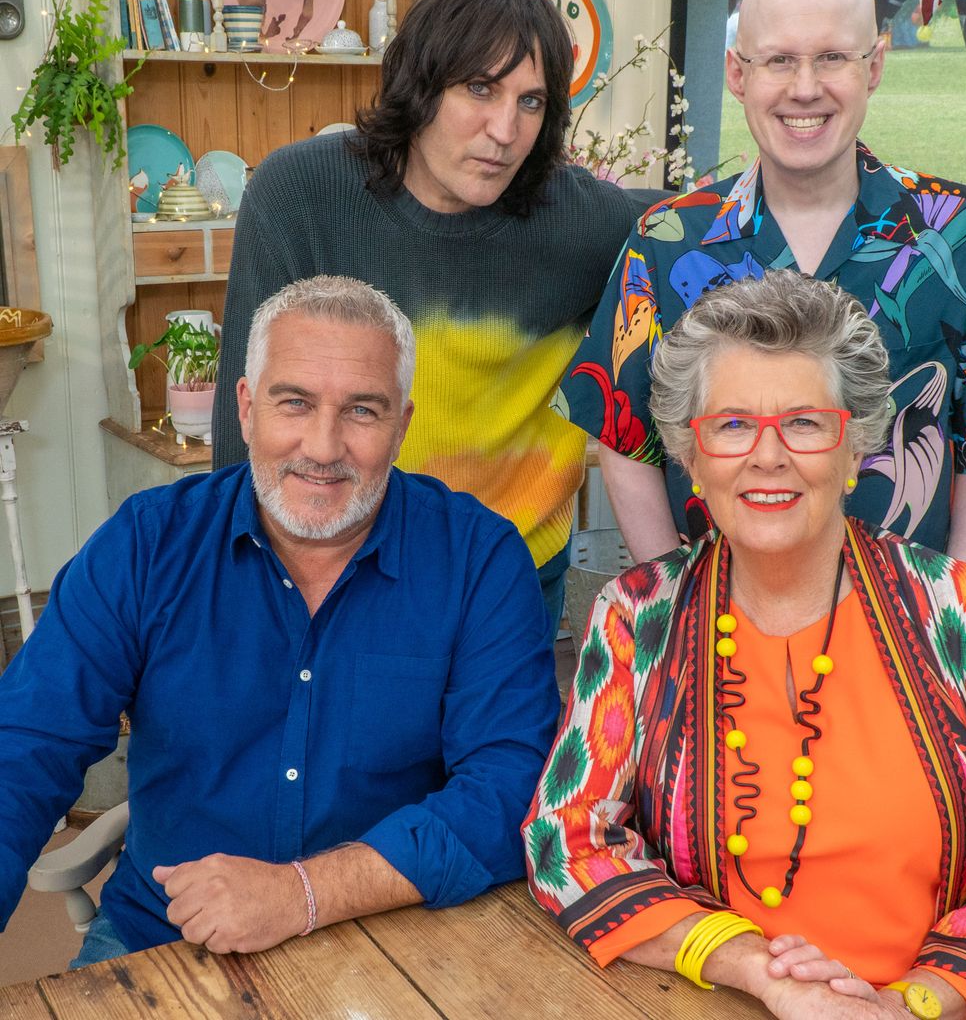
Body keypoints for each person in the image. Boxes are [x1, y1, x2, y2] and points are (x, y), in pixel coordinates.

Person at [524, 271, 966, 1019]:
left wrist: (902, 1005)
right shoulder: (638, 617)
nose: (768, 455)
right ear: (690, 455)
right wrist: (750, 964)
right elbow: (566, 840)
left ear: (855, 451)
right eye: (731, 425)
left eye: (806, 423)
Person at [0, 276, 560, 964]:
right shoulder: (146, 546)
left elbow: (511, 788)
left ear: (403, 424)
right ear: (245, 406)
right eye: (294, 402)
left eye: (362, 411)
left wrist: (304, 892)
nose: (322, 448)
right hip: (167, 941)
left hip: (396, 938)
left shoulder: (478, 558)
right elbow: (23, 748)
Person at [211, 0, 662, 640]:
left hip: (512, 578)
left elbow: (718, 231)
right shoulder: (301, 194)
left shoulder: (584, 222)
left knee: (502, 752)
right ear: (419, 85)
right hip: (333, 568)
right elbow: (238, 421)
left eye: (531, 101)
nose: (504, 129)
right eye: (478, 88)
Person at [562, 0, 966, 575]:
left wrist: (954, 617)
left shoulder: (959, 234)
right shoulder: (668, 241)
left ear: (874, 65)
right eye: (779, 60)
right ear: (737, 74)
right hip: (719, 631)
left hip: (901, 627)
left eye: (831, 58)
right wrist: (676, 601)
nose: (804, 87)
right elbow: (624, 435)